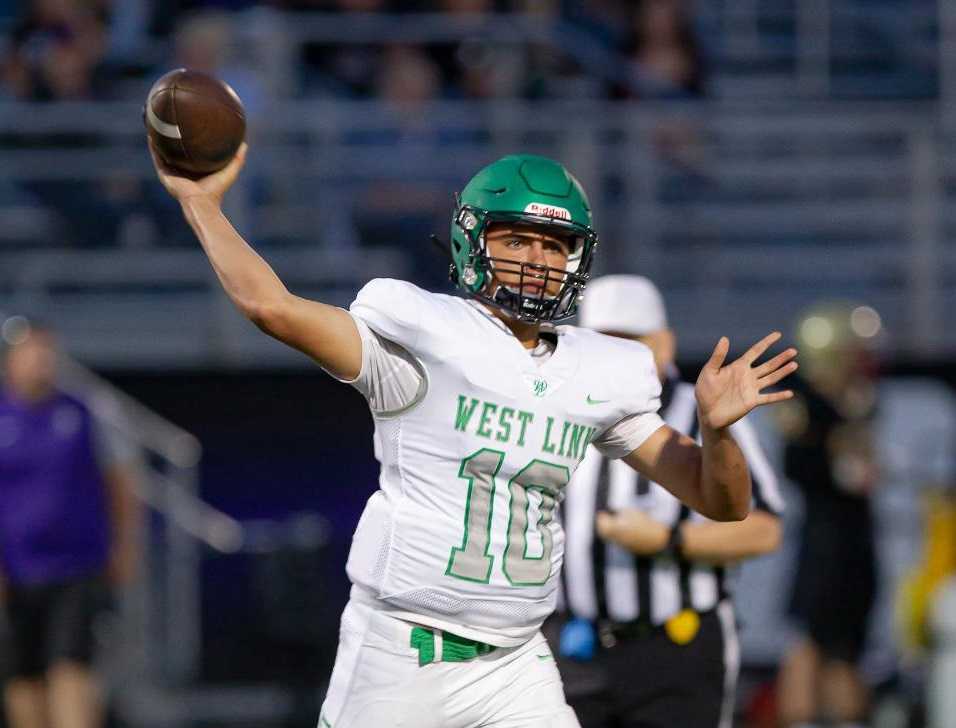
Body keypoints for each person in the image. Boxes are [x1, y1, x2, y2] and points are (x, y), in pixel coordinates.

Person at [147, 140, 798, 728]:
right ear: (472, 242)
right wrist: (202, 204)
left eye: (554, 246)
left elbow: (722, 503)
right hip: (403, 650)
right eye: (517, 240)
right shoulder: (423, 337)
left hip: (515, 662)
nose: (537, 261)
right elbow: (273, 308)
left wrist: (717, 433)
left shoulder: (599, 370)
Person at [551, 275, 784, 728]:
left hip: (677, 649)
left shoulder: (706, 416)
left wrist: (669, 539)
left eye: (631, 342)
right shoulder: (557, 410)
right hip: (573, 647)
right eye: (604, 342)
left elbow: (764, 530)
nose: (617, 355)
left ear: (665, 344)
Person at [0, 317, 141, 728]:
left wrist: (124, 546)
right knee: (22, 674)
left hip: (77, 566)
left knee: (71, 665)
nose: (40, 359)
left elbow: (121, 484)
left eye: (46, 350)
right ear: (10, 360)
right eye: (31, 351)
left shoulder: (86, 411)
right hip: (15, 569)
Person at [774, 302, 881, 728]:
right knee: (811, 640)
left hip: (853, 540)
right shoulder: (809, 405)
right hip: (825, 542)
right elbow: (809, 468)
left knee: (845, 646)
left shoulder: (853, 402)